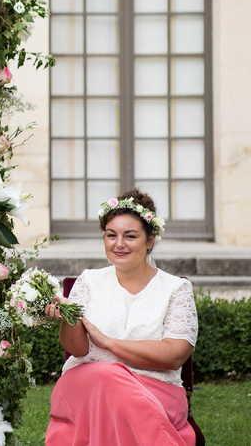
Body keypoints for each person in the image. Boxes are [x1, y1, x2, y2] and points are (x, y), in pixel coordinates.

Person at [44, 188, 198, 446]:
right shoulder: (89, 281)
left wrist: (108, 343)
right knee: (103, 376)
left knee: (109, 379)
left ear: (150, 240)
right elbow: (77, 349)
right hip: (86, 387)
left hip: (155, 387)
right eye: (111, 235)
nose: (119, 244)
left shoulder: (176, 289)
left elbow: (175, 355)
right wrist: (69, 316)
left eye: (130, 236)